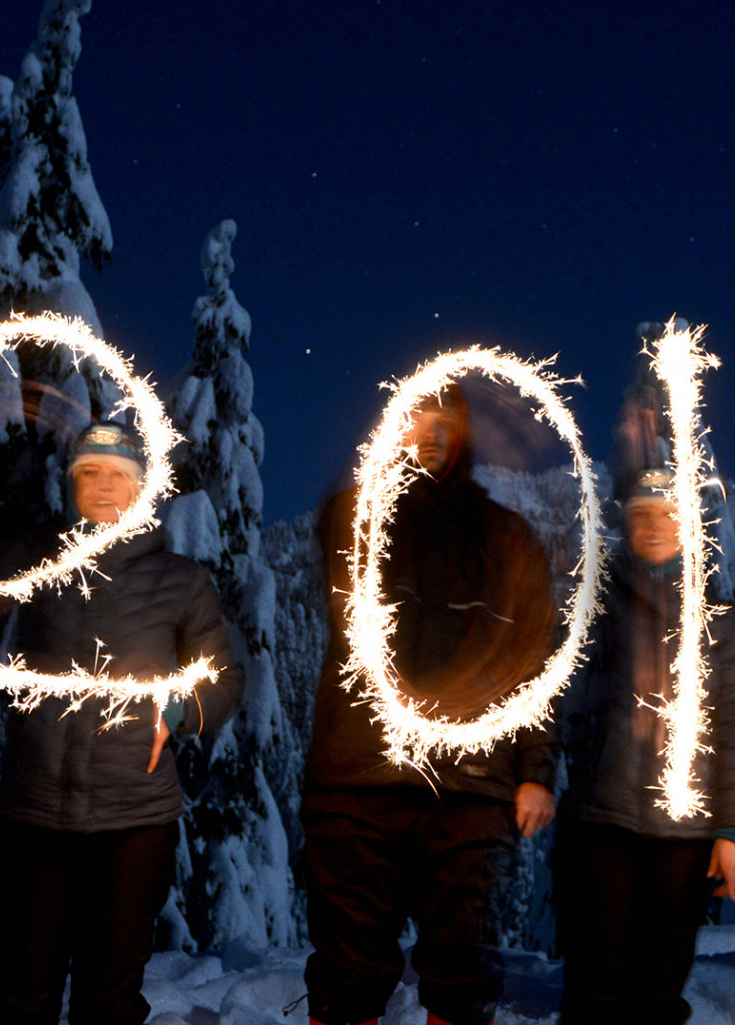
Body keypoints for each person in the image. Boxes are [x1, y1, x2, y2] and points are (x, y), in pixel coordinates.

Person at [302, 385, 558, 1025]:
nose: (432, 434)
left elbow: (535, 662)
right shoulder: (358, 514)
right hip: (361, 777)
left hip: (468, 784)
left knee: (463, 963)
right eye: (418, 420)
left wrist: (535, 771)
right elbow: (338, 546)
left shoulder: (508, 536)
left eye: (447, 423)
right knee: (348, 961)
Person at [0, 422, 242, 1025]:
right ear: (70, 484)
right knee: (20, 998)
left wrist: (178, 711)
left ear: (142, 487)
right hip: (33, 816)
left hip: (134, 824)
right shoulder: (34, 567)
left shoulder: (181, 580)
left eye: (118, 474)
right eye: (88, 473)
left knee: (109, 1002)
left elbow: (224, 678)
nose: (103, 486)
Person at [557, 467, 735, 1025]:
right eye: (641, 514)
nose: (654, 526)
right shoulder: (597, 607)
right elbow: (563, 699)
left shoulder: (716, 616)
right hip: (607, 820)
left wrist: (734, 829)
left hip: (685, 832)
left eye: (667, 514)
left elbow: (733, 723)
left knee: (661, 981)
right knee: (597, 977)